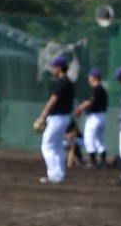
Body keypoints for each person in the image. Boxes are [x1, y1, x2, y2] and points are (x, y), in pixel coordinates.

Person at [35, 55, 74, 184]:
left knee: (47, 146)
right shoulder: (68, 82)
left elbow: (54, 99)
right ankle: (59, 175)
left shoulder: (62, 82)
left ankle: (53, 174)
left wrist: (43, 115)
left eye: (53, 67)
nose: (52, 69)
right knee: (57, 147)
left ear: (59, 67)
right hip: (64, 118)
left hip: (57, 118)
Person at [74, 67, 108, 169]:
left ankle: (93, 163)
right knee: (100, 140)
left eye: (90, 76)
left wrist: (79, 108)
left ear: (94, 77)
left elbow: (90, 101)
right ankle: (103, 163)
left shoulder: (95, 89)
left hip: (94, 117)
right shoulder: (102, 89)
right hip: (102, 116)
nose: (89, 78)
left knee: (89, 138)